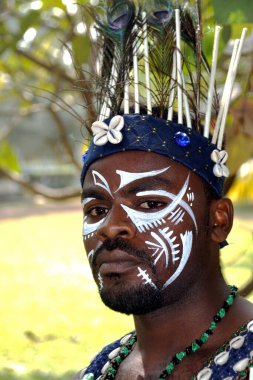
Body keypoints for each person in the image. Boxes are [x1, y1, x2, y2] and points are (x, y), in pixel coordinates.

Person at [74, 2, 253, 379]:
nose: (109, 228)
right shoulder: (106, 366)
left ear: (218, 220)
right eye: (95, 209)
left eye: (151, 202)